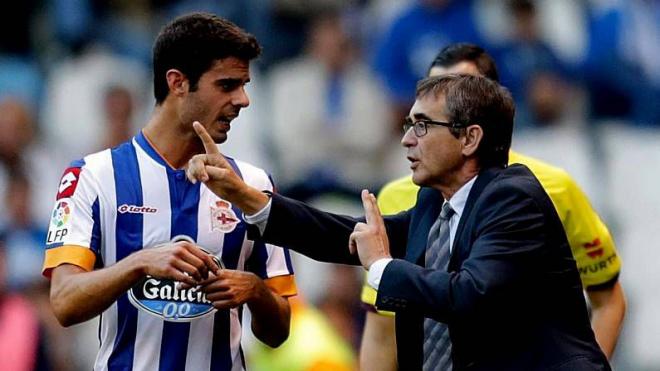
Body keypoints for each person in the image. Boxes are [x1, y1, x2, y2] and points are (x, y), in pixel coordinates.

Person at [187, 74, 610, 370]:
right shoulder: (435, 202)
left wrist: (382, 267)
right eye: (408, 124)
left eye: (422, 126)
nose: (406, 138)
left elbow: (471, 295)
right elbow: (345, 237)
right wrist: (247, 197)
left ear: (470, 138)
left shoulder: (513, 198)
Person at [42, 13, 296, 371]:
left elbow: (278, 332)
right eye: (227, 85)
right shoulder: (92, 176)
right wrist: (139, 263)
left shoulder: (254, 186)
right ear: (177, 83)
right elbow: (64, 303)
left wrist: (255, 291)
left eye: (245, 85)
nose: (243, 100)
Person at [359, 43, 626, 370]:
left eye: (460, 90)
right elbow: (382, 326)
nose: (447, 99)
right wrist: (278, 213)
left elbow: (607, 298)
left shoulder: (550, 188)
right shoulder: (404, 194)